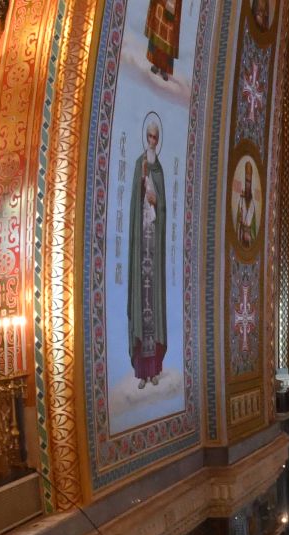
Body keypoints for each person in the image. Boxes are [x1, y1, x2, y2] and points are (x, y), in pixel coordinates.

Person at [128, 114, 170, 387]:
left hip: (153, 245)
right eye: (149, 136)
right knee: (141, 304)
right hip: (141, 244)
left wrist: (156, 201)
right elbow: (135, 202)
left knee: (153, 305)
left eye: (156, 137)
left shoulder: (160, 169)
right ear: (146, 138)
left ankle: (155, 371)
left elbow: (163, 205)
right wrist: (143, 189)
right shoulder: (139, 165)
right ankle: (143, 373)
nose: (152, 140)